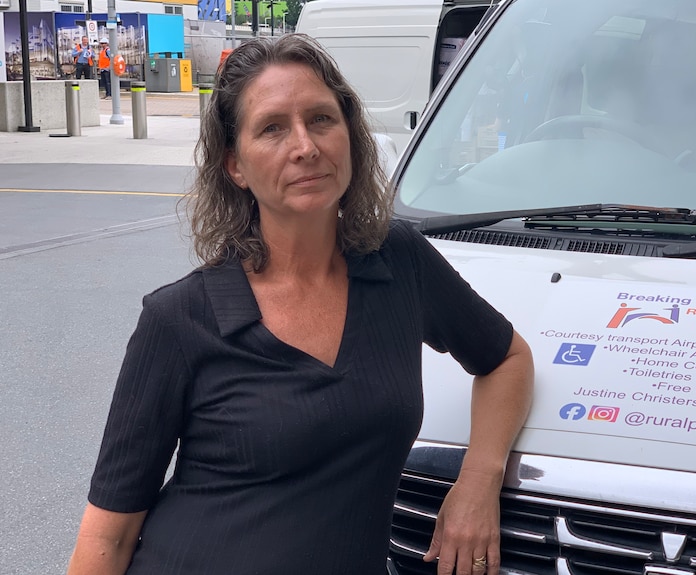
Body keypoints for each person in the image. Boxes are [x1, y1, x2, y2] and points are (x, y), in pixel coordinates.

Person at [65, 33, 534, 575]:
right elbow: (108, 537)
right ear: (235, 166)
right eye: (272, 128)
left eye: (321, 119)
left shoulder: (398, 262)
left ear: (349, 134)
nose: (305, 146)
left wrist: (478, 480)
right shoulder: (180, 319)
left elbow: (507, 359)